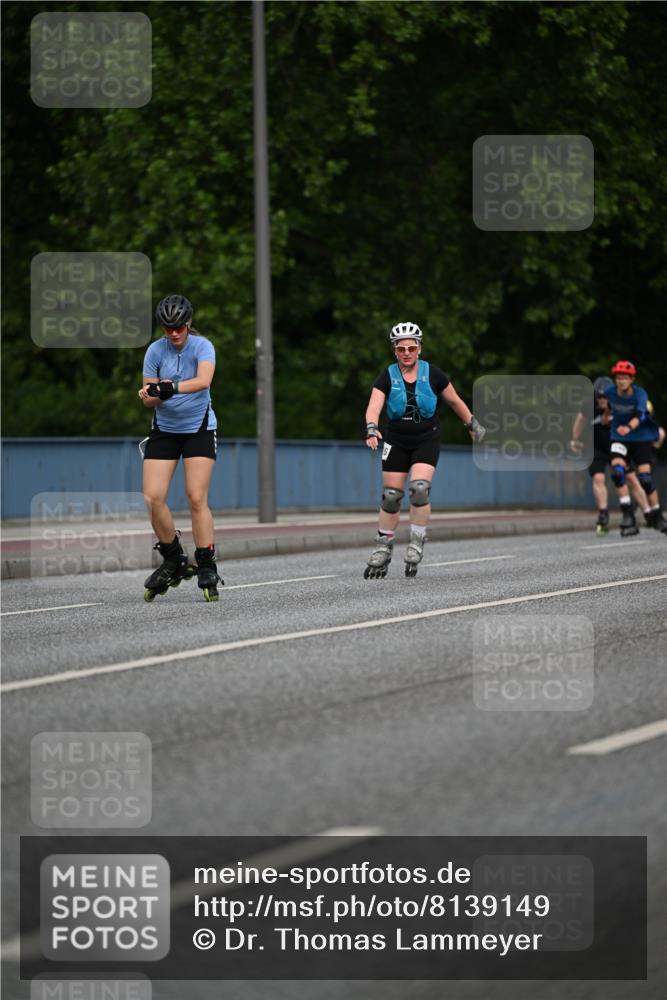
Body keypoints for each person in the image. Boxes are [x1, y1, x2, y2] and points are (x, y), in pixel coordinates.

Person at [363, 322, 485, 578]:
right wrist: (372, 427)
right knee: (391, 496)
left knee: (419, 489)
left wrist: (472, 423)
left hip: (425, 439)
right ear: (395, 351)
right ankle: (383, 547)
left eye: (411, 347)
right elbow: (374, 405)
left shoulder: (433, 374)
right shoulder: (387, 375)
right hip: (396, 439)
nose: (406, 352)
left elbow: (454, 400)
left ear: (419, 348)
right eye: (401, 348)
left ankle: (417, 540)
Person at [138, 294, 223, 601]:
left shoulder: (203, 346)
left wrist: (169, 386)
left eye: (179, 328)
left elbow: (203, 380)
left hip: (199, 429)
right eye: (167, 328)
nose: (174, 334)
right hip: (165, 430)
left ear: (188, 324)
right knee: (152, 497)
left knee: (196, 496)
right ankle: (174, 557)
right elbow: (152, 396)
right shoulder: (155, 351)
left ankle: (206, 563)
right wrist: (150, 395)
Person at [570, 376, 649, 535]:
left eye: (605, 397)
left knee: (631, 478)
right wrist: (575, 439)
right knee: (598, 478)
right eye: (599, 397)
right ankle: (603, 513)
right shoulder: (588, 405)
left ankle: (649, 512)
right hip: (597, 448)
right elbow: (580, 421)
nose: (602, 400)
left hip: (616, 445)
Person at [602, 359, 667, 536]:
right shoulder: (610, 392)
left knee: (645, 479)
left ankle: (657, 514)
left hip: (639, 438)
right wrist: (607, 417)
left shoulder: (640, 394)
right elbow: (608, 405)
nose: (621, 381)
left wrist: (628, 427)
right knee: (617, 472)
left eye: (625, 378)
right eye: (618, 378)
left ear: (632, 379)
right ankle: (628, 514)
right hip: (619, 437)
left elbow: (641, 415)